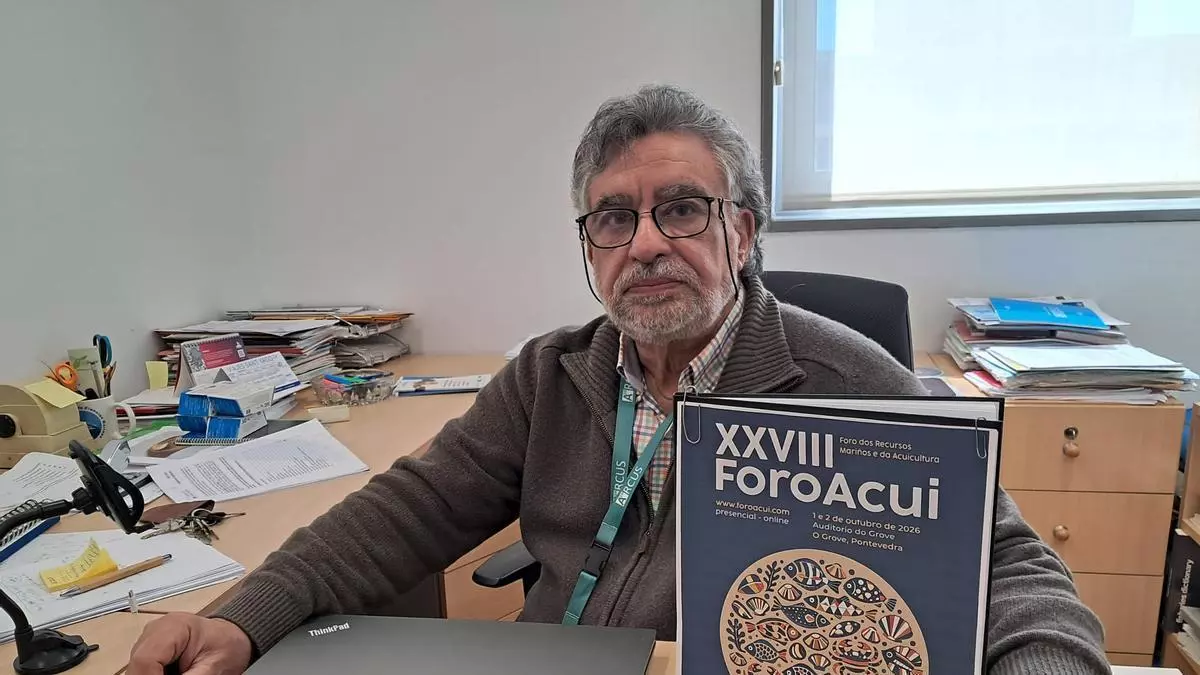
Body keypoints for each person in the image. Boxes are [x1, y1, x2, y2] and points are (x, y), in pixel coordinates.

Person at [128, 84, 1108, 675]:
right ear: (591, 248)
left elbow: (1014, 572)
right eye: (613, 218)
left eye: (681, 209)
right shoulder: (551, 374)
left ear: (742, 232)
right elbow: (403, 513)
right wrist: (242, 616)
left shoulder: (845, 379)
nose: (644, 244)